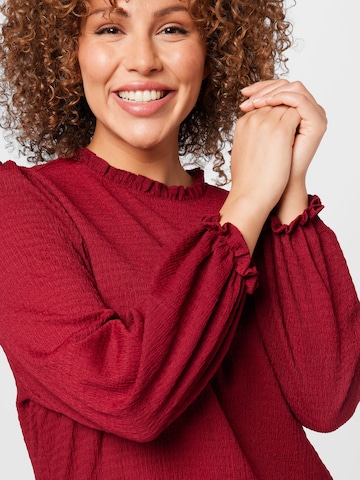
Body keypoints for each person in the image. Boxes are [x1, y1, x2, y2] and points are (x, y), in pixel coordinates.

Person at [0, 0, 359, 479]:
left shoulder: (250, 214)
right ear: (69, 53)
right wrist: (249, 202)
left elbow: (327, 399)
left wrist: (287, 187)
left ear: (211, 51)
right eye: (110, 29)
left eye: (172, 28)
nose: (144, 59)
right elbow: (131, 398)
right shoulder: (26, 202)